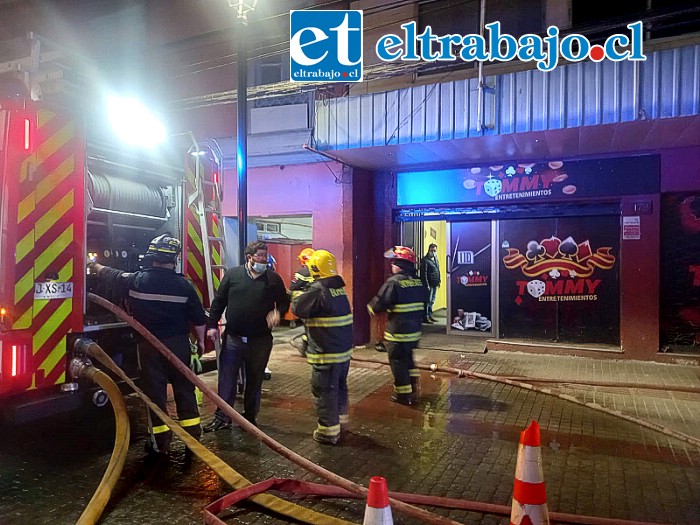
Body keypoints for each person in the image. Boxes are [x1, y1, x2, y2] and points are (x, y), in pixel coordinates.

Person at [89, 234, 207, 455]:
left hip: (148, 346)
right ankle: (193, 441)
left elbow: (112, 275)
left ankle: (160, 443)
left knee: (154, 395)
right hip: (178, 345)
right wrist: (200, 343)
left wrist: (94, 266)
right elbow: (199, 320)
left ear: (152, 256)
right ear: (175, 258)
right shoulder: (184, 286)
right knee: (184, 390)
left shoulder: (136, 280)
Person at [204, 240, 290, 431]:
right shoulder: (233, 275)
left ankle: (250, 418)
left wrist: (279, 313)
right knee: (227, 379)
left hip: (260, 341)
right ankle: (222, 417)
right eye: (259, 256)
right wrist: (212, 325)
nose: (263, 260)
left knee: (255, 378)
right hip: (234, 338)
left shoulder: (273, 279)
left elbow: (284, 301)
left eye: (265, 256)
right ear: (249, 257)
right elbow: (219, 302)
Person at [291, 249, 352, 445]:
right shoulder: (338, 288)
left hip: (325, 354)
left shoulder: (318, 289)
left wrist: (302, 290)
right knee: (339, 387)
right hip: (342, 353)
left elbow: (297, 308)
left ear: (315, 269)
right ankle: (340, 422)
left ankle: (328, 432)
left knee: (324, 391)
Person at [368, 246, 423, 406]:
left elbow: (380, 303)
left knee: (398, 361)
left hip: (398, 331)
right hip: (414, 331)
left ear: (399, 264)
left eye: (393, 262)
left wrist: (370, 307)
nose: (391, 266)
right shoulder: (417, 282)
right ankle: (413, 385)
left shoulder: (394, 282)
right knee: (408, 359)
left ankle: (403, 395)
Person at [289, 248, 315, 357]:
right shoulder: (320, 271)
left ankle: (306, 348)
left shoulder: (302, 272)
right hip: (318, 305)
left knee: (308, 328)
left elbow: (293, 287)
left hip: (305, 305)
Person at [420, 243, 441, 324]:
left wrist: (439, 281)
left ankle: (430, 315)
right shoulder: (425, 260)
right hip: (429, 284)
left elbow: (438, 270)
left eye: (435, 250)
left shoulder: (436, 259)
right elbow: (424, 273)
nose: (434, 252)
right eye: (432, 250)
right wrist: (426, 285)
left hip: (435, 283)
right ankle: (426, 317)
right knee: (428, 301)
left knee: (432, 301)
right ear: (429, 250)